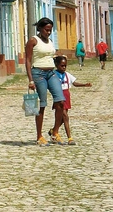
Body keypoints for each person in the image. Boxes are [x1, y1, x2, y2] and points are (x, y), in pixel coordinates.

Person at [25, 17, 66, 147]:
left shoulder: (50, 41)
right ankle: (39, 136)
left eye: (50, 30)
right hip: (38, 74)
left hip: (51, 73)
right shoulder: (33, 40)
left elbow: (51, 55)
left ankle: (55, 132)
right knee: (42, 105)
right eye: (46, 30)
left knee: (60, 101)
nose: (48, 32)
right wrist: (30, 79)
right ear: (40, 28)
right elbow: (27, 60)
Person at [52, 56, 92, 145]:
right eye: (62, 66)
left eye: (65, 66)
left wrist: (84, 84)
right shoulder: (53, 75)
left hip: (66, 96)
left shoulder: (67, 75)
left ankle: (54, 130)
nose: (64, 67)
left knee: (61, 118)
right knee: (65, 117)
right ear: (57, 65)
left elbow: (74, 83)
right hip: (58, 97)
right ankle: (70, 138)